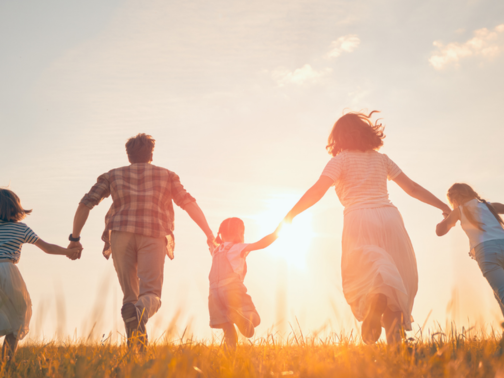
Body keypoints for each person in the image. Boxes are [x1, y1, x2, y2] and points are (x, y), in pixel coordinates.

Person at [282, 111, 451, 344]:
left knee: (367, 273)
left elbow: (317, 190)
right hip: (390, 219)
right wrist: (444, 206)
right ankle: (396, 347)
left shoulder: (339, 161)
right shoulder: (382, 160)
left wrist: (290, 215)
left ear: (338, 138)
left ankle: (376, 301)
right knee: (397, 279)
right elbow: (412, 188)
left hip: (359, 218)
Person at [68, 133, 215, 349]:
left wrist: (75, 238)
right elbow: (188, 203)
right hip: (153, 232)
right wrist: (209, 233)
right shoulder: (167, 175)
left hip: (120, 234)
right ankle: (138, 320)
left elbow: (85, 204)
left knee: (131, 295)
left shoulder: (112, 175)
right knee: (151, 294)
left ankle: (136, 348)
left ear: (128, 156)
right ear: (151, 155)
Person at [0, 189, 80, 361]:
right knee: (18, 317)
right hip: (7, 271)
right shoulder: (20, 228)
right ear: (15, 208)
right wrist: (68, 252)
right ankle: (5, 363)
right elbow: (47, 248)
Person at [209, 217, 279, 349]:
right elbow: (261, 244)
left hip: (214, 294)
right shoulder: (237, 247)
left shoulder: (216, 250)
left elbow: (210, 244)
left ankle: (230, 354)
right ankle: (238, 316)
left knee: (227, 326)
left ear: (221, 235)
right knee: (255, 319)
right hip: (231, 289)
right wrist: (277, 232)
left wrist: (210, 237)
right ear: (238, 234)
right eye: (242, 233)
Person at [436, 183, 504, 315]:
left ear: (454, 200)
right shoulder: (489, 206)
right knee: (498, 293)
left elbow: (439, 231)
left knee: (501, 290)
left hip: (487, 252)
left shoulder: (458, 211)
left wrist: (448, 217)